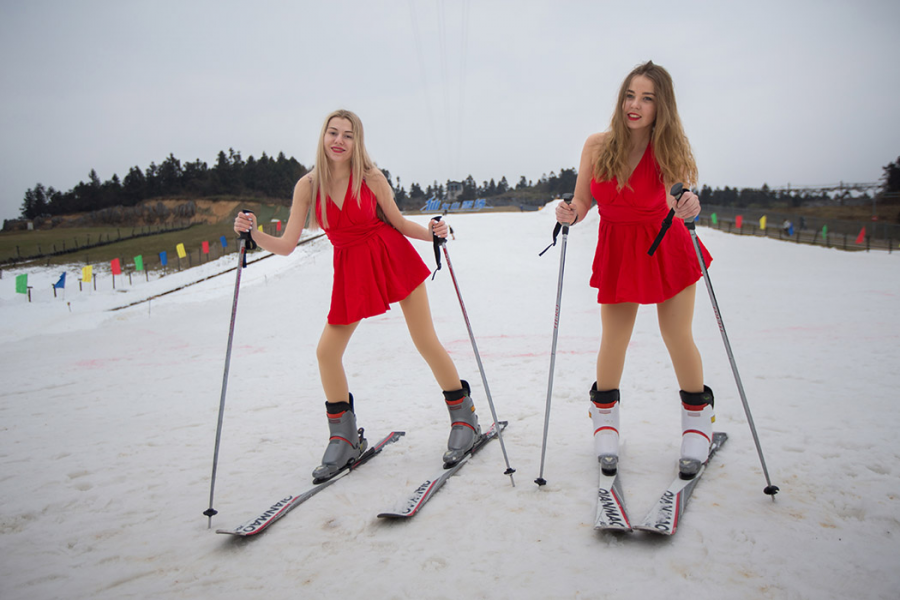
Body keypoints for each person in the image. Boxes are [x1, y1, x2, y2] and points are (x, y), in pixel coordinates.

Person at [233, 109, 480, 482]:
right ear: (323, 136)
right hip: (351, 268)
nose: (339, 141)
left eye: (348, 135)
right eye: (333, 133)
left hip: (391, 255)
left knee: (424, 340)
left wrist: (436, 233)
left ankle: (465, 418)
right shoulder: (308, 186)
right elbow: (286, 245)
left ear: (356, 141)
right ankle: (344, 438)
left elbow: (397, 223)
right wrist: (253, 236)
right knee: (326, 351)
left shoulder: (370, 177)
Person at [555, 61, 714, 480]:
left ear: (662, 106)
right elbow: (584, 201)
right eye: (630, 95)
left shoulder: (669, 150)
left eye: (647, 98)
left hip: (666, 247)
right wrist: (571, 213)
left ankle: (698, 425)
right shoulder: (596, 145)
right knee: (614, 338)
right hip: (619, 248)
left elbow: (675, 195)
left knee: (676, 335)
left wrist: (687, 203)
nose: (635, 105)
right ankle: (605, 420)